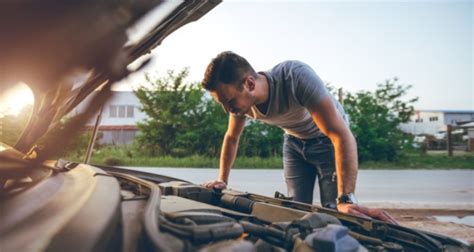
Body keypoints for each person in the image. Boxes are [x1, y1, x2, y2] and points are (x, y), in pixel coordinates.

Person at [201, 51, 397, 224]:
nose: (227, 109)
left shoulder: (295, 77)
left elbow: (341, 135)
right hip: (293, 142)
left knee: (336, 211)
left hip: (327, 141)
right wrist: (222, 179)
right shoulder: (240, 103)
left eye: (229, 101)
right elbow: (232, 137)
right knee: (295, 211)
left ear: (250, 83)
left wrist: (346, 198)